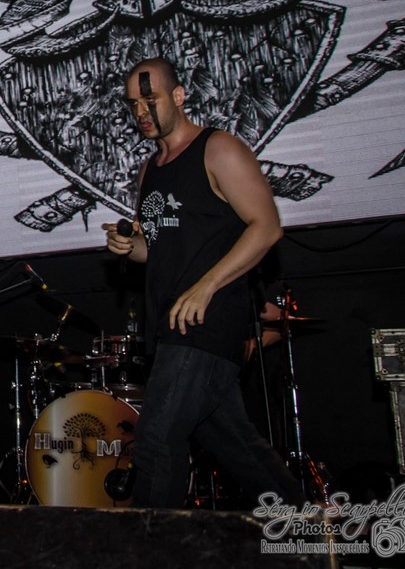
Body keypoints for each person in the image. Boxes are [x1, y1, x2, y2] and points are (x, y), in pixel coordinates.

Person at [102, 57, 304, 509]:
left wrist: (206, 286)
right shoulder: (151, 169)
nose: (141, 111)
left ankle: (152, 544)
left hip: (206, 325)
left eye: (150, 99)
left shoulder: (218, 149)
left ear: (178, 96)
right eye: (133, 104)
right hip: (170, 327)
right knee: (238, 447)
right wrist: (128, 246)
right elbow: (158, 247)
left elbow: (267, 227)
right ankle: (308, 527)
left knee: (156, 440)